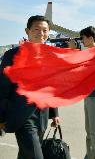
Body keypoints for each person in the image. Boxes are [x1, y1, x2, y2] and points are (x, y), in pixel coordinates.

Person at [0, 15, 60, 159]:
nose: (41, 33)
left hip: (42, 116)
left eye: (45, 30)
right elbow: (2, 88)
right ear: (27, 31)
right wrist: (1, 117)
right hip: (22, 116)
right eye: (36, 29)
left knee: (26, 154)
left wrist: (54, 113)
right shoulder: (12, 55)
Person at [80, 26, 95, 159]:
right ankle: (90, 156)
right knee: (89, 131)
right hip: (88, 95)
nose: (82, 41)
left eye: (83, 38)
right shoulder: (88, 51)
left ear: (90, 38)